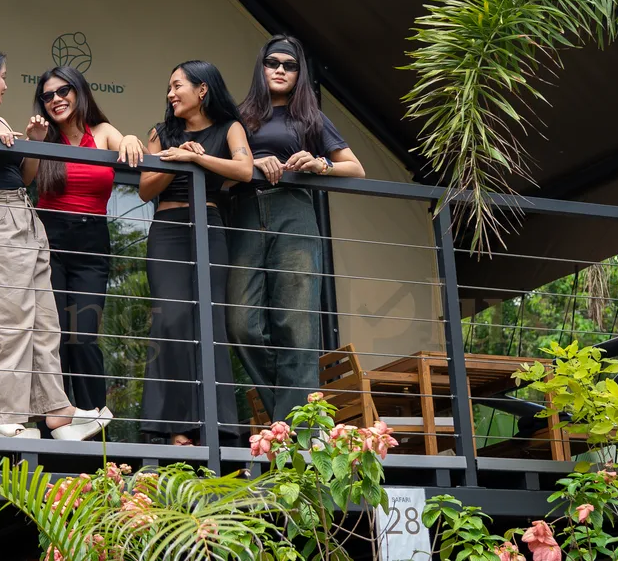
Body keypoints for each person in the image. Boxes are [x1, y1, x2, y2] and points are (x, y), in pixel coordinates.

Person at [0, 42, 111, 441]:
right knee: (9, 324)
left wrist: (33, 140)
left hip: (24, 214)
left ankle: (57, 412)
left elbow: (26, 176)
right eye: (2, 78)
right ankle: (5, 420)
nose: (6, 86)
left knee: (45, 321)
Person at [229, 36, 365, 423]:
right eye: (273, 62)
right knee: (240, 323)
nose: (280, 70)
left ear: (298, 74)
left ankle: (294, 426)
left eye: (290, 65)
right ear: (261, 67)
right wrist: (257, 162)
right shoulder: (239, 117)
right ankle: (288, 414)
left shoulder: (310, 117)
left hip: (294, 213)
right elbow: (223, 163)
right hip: (245, 211)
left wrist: (319, 164)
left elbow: (355, 168)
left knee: (297, 322)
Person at [137, 60, 253, 445]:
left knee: (209, 323)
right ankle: (172, 428)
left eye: (177, 86)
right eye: (169, 88)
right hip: (168, 232)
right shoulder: (161, 132)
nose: (170, 94)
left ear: (202, 90)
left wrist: (198, 157)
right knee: (170, 321)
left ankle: (215, 428)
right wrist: (176, 159)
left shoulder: (229, 128)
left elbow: (245, 170)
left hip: (210, 229)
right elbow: (145, 190)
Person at [27, 66, 144, 410]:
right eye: (47, 96)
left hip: (92, 243)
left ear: (79, 91)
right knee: (55, 336)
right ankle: (55, 422)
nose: (56, 100)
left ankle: (94, 417)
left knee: (84, 335)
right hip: (51, 240)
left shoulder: (102, 131)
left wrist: (132, 138)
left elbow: (124, 144)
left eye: (63, 91)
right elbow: (16, 178)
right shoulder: (42, 136)